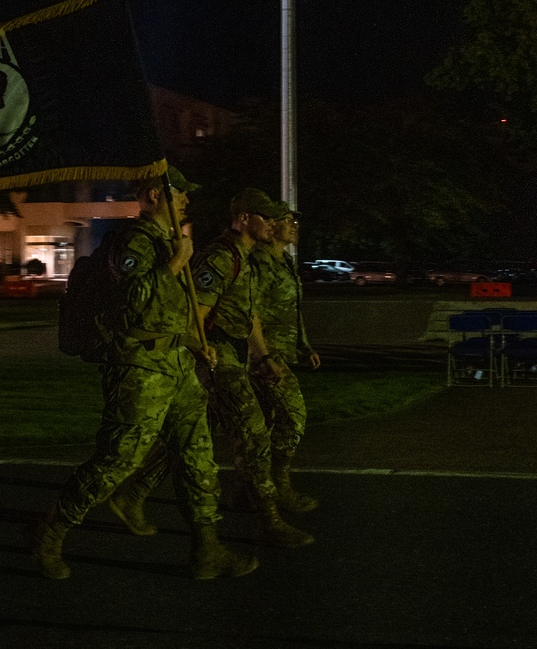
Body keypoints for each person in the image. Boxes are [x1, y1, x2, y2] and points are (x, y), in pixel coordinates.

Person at [29, 167, 257, 582]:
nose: (186, 200)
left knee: (197, 457)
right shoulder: (133, 242)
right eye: (179, 193)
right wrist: (173, 263)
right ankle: (50, 532)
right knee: (118, 459)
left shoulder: (170, 241)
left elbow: (176, 307)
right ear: (154, 195)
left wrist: (194, 342)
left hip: (177, 363)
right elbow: (132, 301)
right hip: (139, 368)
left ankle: (207, 549)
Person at [190, 188, 314, 547]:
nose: (274, 224)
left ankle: (132, 495)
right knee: (252, 435)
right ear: (245, 219)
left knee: (191, 441)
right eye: (267, 218)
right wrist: (205, 354)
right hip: (220, 358)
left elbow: (250, 314)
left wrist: (262, 356)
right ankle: (268, 519)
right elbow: (195, 314)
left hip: (241, 355)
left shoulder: (242, 256)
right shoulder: (221, 257)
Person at [250, 206, 321, 513]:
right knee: (293, 417)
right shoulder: (260, 262)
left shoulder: (286, 262)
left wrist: (305, 346)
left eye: (295, 222)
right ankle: (281, 488)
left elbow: (293, 309)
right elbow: (250, 310)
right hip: (264, 356)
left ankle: (250, 489)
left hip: (282, 352)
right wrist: (262, 355)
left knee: (264, 424)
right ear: (271, 226)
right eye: (287, 222)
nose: (294, 226)